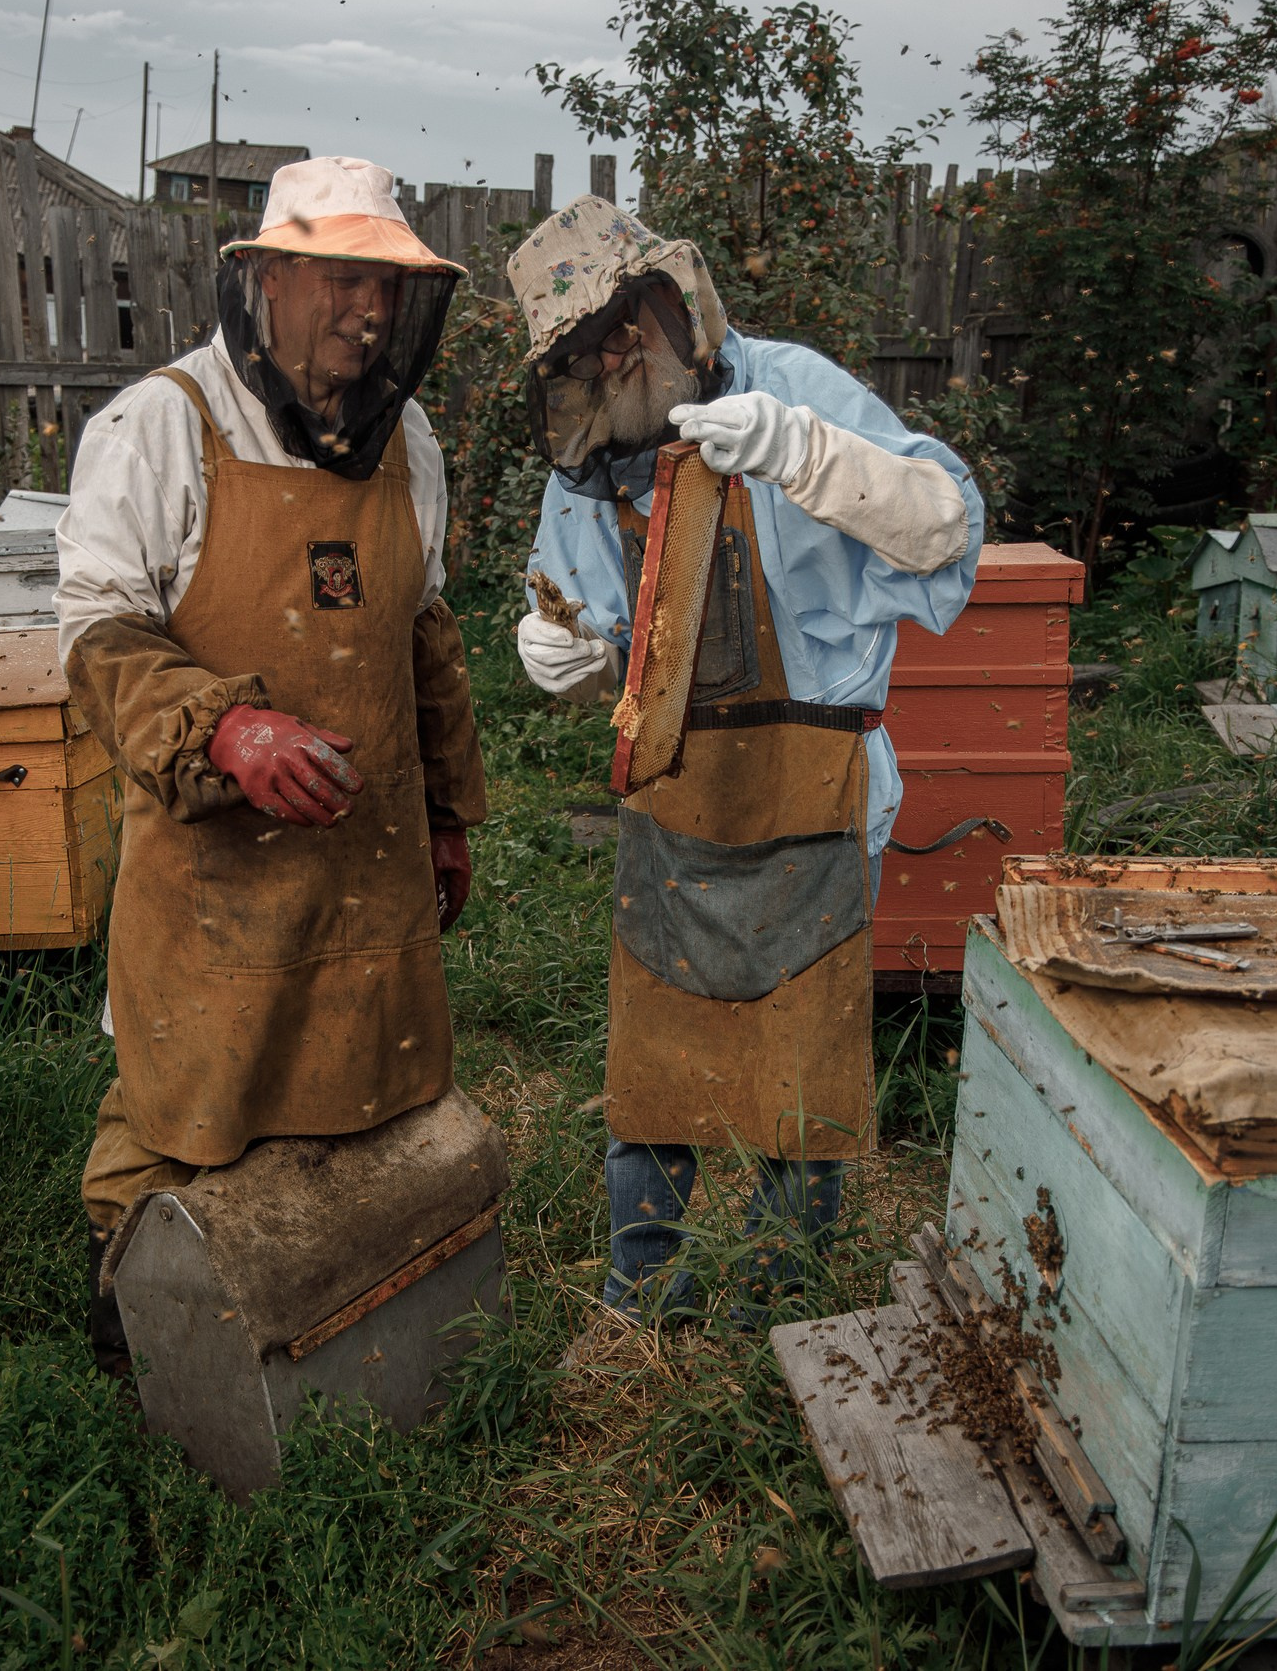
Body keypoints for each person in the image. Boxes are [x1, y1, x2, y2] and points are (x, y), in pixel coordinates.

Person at [507, 197, 984, 1328]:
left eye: (624, 327)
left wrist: (805, 453)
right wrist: (563, 653)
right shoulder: (585, 461)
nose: (615, 358)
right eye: (586, 348)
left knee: (802, 1067)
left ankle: (786, 1309)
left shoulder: (795, 390)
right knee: (653, 1064)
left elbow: (945, 526)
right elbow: (585, 622)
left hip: (815, 791)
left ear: (672, 304)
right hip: (675, 800)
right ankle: (645, 1296)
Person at [55, 156, 486, 1378]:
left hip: (372, 850)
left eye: (388, 289)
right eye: (346, 279)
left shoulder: (415, 451)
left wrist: (449, 817)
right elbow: (98, 636)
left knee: (368, 1080)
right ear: (269, 278)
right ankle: (134, 1312)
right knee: (184, 1086)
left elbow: (425, 638)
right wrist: (226, 731)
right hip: (217, 865)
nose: (369, 312)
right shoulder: (159, 426)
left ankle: (336, 1310)